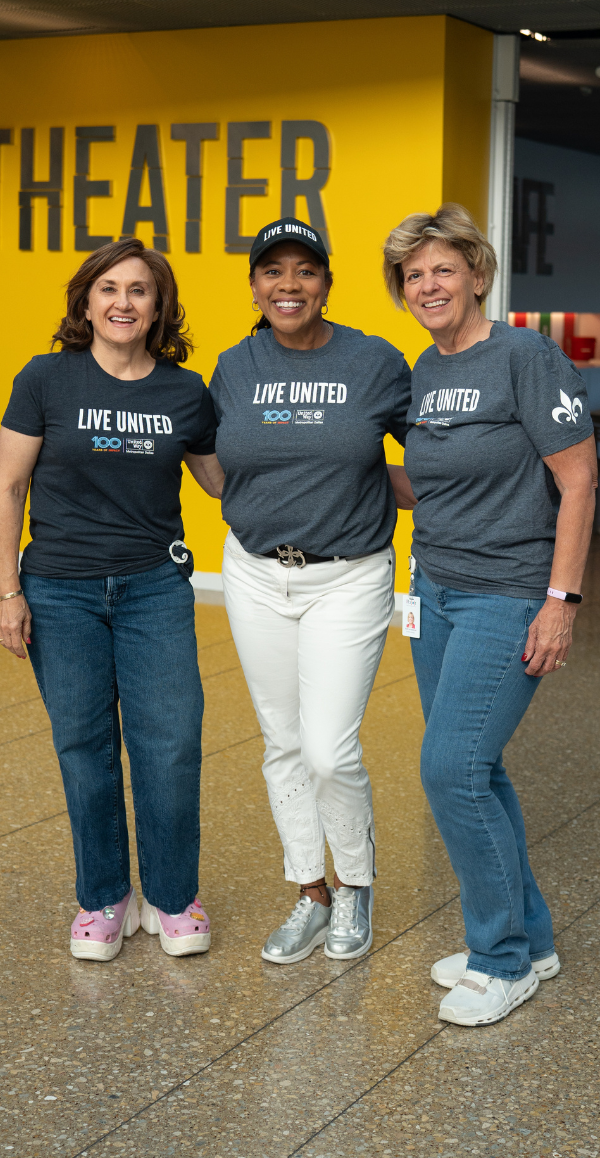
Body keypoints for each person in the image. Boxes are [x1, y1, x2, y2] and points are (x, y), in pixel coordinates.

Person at [383, 203, 597, 1026]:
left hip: (507, 593)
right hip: (435, 591)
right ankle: (530, 941)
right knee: (478, 767)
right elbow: (432, 483)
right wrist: (337, 464)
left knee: (451, 769)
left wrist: (561, 603)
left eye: (443, 269)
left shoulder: (525, 356)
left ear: (477, 273)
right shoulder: (425, 368)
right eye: (413, 275)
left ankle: (499, 959)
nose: (428, 285)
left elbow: (579, 481)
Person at [0, 238, 222, 962]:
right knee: (84, 745)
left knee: (172, 743)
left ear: (159, 307)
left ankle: (172, 896)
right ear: (86, 302)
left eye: (139, 290)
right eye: (109, 289)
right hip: (59, 589)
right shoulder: (44, 379)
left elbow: (222, 481)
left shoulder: (185, 392)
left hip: (154, 587)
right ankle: (103, 896)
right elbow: (7, 486)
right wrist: (7, 591)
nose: (123, 302)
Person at [209, 219, 414, 964]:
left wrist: (374, 486)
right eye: (273, 271)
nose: (288, 285)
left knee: (329, 749)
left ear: (327, 283)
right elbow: (213, 461)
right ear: (254, 287)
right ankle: (311, 891)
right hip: (256, 573)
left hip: (347, 576)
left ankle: (355, 883)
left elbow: (435, 453)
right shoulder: (234, 366)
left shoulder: (375, 361)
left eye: (305, 270)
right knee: (283, 741)